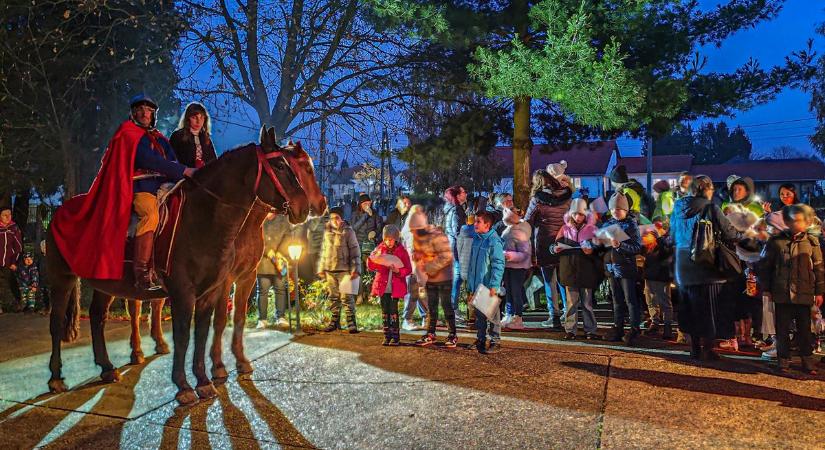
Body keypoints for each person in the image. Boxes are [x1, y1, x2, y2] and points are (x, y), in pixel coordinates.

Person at [50, 94, 196, 290]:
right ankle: (142, 273)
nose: (145, 113)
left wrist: (182, 173)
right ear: (134, 113)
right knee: (150, 214)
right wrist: (183, 170)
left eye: (149, 111)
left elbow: (172, 162)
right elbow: (148, 160)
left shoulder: (161, 139)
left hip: (165, 187)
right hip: (142, 189)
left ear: (153, 114)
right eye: (141, 110)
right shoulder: (129, 134)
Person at [670, 175, 741, 360]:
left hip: (683, 263)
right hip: (705, 262)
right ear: (705, 189)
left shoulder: (678, 207)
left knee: (690, 306)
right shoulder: (711, 207)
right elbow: (730, 233)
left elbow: (672, 233)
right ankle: (708, 349)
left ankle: (694, 348)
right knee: (709, 306)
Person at [760, 204, 824, 375]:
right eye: (793, 220)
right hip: (782, 292)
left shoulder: (811, 242)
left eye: (801, 220)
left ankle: (807, 360)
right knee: (782, 329)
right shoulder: (775, 241)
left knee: (804, 329)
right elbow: (765, 266)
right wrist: (766, 288)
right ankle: (783, 361)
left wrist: (819, 291)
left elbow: (818, 267)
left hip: (804, 292)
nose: (797, 223)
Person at [525, 170, 572, 329]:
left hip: (544, 241)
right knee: (563, 279)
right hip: (563, 240)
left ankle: (554, 317)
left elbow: (527, 221)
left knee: (548, 280)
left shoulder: (537, 199)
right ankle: (569, 312)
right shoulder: (567, 196)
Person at [552, 198, 600, 340]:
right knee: (571, 303)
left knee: (587, 303)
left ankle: (590, 329)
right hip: (570, 270)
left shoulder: (592, 229)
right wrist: (555, 248)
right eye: (575, 214)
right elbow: (553, 245)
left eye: (581, 214)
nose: (578, 217)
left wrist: (592, 249)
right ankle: (570, 330)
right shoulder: (565, 229)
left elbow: (600, 247)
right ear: (571, 214)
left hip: (586, 271)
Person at [407, 211, 457, 347]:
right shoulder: (420, 238)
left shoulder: (437, 236)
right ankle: (430, 333)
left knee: (446, 306)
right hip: (430, 278)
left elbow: (446, 256)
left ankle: (452, 334)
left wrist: (430, 267)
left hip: (444, 277)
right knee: (432, 307)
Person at [599, 192, 643, 346]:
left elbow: (637, 247)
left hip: (626, 267)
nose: (615, 212)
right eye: (612, 210)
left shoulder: (631, 225)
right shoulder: (607, 225)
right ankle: (618, 327)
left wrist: (621, 245)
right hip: (611, 268)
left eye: (618, 209)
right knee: (616, 300)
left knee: (630, 299)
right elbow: (601, 244)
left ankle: (635, 328)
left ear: (625, 210)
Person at [466, 210, 505, 354]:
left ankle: (495, 340)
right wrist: (470, 285)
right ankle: (481, 338)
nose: (475, 224)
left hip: (488, 286)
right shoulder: (477, 239)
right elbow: (472, 264)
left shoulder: (493, 241)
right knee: (480, 315)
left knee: (493, 315)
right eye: (475, 221)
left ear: (487, 225)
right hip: (477, 285)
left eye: (478, 222)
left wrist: (494, 285)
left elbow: (498, 264)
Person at [367, 224, 412, 346]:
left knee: (393, 311)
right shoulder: (380, 249)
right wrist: (371, 259)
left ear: (396, 239)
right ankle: (386, 336)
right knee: (384, 310)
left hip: (395, 287)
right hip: (383, 286)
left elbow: (408, 269)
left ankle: (395, 337)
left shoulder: (401, 251)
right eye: (386, 239)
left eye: (391, 239)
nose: (388, 242)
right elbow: (372, 266)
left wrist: (398, 271)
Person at [318, 207, 361, 333]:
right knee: (333, 297)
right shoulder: (327, 232)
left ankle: (351, 322)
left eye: (336, 218)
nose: (334, 221)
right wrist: (321, 267)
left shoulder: (348, 232)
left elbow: (355, 251)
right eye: (331, 218)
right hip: (330, 269)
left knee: (346, 297)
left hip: (344, 270)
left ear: (341, 219)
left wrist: (355, 268)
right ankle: (334, 321)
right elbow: (324, 251)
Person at [253, 213, 290, 329]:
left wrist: (280, 252)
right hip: (263, 262)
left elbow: (288, 236)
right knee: (262, 291)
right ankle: (262, 319)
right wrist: (267, 251)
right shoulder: (259, 219)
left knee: (280, 290)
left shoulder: (283, 220)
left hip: (279, 261)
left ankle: (281, 317)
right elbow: (255, 237)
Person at [641, 227, 674, 340]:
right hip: (649, 278)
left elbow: (667, 253)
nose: (644, 237)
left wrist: (660, 239)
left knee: (665, 303)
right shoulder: (646, 248)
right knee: (651, 302)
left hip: (661, 278)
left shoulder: (663, 246)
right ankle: (655, 323)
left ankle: (667, 326)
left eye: (647, 235)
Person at [501, 208, 532, 330]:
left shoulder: (520, 232)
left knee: (516, 292)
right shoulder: (508, 230)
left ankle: (518, 317)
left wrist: (509, 255)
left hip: (517, 267)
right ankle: (509, 314)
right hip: (508, 266)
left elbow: (524, 253)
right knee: (508, 291)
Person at [400, 204, 428, 330]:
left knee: (422, 293)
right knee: (412, 294)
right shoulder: (410, 231)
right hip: (412, 268)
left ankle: (426, 317)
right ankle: (407, 319)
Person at [443, 185, 468, 317]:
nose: (466, 194)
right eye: (463, 192)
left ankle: (453, 307)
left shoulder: (450, 209)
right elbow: (458, 230)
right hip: (457, 247)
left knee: (456, 276)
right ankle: (453, 308)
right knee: (457, 277)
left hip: (452, 246)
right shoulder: (457, 210)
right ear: (457, 196)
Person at [169, 102, 218, 168]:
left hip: (203, 176)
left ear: (205, 119)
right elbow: (170, 160)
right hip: (181, 176)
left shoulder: (206, 138)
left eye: (201, 117)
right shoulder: (177, 136)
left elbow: (214, 162)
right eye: (194, 117)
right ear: (188, 119)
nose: (198, 121)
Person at [0, 207, 22, 312]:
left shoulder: (14, 228)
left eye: (9, 214)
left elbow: (18, 247)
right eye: (5, 215)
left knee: (11, 282)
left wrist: (14, 262)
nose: (8, 217)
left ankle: (18, 302)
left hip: (9, 261)